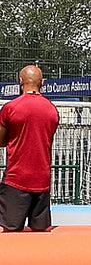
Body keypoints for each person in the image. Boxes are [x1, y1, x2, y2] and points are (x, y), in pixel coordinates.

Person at [0, 65, 60, 232]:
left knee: (8, 231)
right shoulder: (51, 110)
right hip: (42, 181)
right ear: (43, 83)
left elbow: (1, 141)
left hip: (16, 179)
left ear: (20, 81)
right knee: (40, 233)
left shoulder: (11, 108)